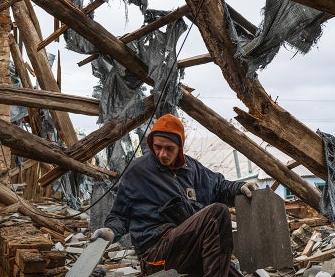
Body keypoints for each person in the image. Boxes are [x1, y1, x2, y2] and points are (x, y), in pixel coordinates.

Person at [91, 113, 258, 276]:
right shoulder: (137, 172)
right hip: (156, 254)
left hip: (189, 248)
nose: (162, 154)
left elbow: (219, 186)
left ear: (180, 147)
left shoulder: (192, 168)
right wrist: (111, 231)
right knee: (217, 213)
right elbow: (120, 214)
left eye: (169, 148)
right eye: (158, 147)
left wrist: (240, 187)